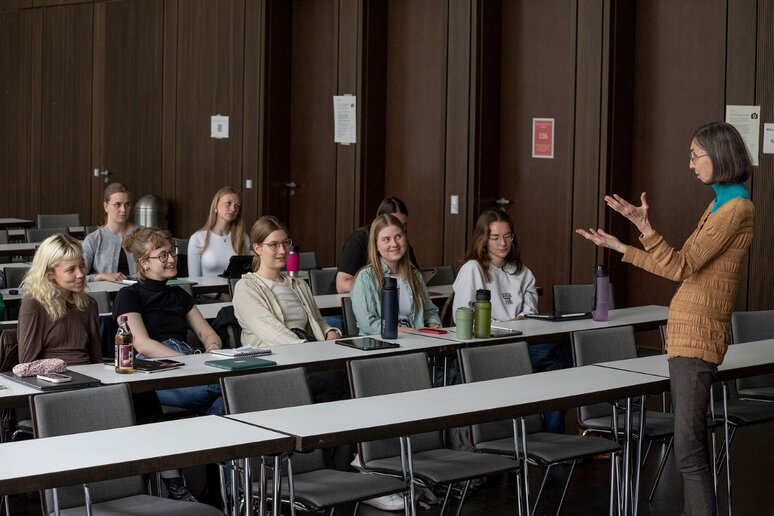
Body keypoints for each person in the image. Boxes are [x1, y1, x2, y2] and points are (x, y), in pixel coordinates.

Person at [576, 121, 755, 516]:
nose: (690, 164)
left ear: (719, 155)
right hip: (687, 336)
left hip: (698, 339)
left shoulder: (736, 208)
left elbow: (680, 266)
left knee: (689, 454)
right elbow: (682, 268)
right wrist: (624, 244)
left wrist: (644, 226)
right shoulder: (720, 203)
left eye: (695, 155)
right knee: (688, 452)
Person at [113, 227, 224, 502]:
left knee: (227, 397)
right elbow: (141, 344)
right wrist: (189, 362)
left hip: (187, 360)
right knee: (227, 393)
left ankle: (209, 477)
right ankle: (198, 460)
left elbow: (207, 333)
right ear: (144, 263)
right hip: (156, 369)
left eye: (172, 252)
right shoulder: (130, 296)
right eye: (162, 255)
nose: (172, 259)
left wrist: (212, 347)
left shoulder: (179, 294)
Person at [452, 209, 568, 433]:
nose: (502, 243)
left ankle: (552, 433)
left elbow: (530, 311)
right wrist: (507, 323)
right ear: (483, 240)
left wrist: (517, 321)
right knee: (560, 359)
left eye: (507, 236)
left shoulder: (522, 272)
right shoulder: (473, 269)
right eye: (495, 237)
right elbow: (464, 316)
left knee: (561, 363)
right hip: (489, 345)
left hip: (520, 341)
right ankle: (554, 435)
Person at [233, 215, 341, 348]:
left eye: (285, 243)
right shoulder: (245, 288)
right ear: (257, 248)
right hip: (272, 358)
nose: (283, 250)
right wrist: (308, 349)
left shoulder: (299, 284)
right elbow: (271, 332)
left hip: (306, 349)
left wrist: (329, 332)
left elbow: (317, 321)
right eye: (274, 245)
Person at [18, 234, 101, 365]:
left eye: (82, 265)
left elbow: (96, 358)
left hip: (89, 377)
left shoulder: (89, 304)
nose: (81, 274)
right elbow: (27, 362)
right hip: (50, 379)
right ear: (50, 275)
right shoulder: (33, 304)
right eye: (70, 270)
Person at [351, 214, 441, 334]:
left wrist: (434, 325)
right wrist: (409, 331)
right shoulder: (365, 277)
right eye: (386, 239)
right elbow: (368, 325)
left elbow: (430, 311)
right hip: (381, 345)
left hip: (416, 341)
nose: (394, 244)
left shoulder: (414, 275)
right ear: (376, 245)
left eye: (398, 236)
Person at [330, 197, 418, 294]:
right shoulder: (358, 239)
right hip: (342, 302)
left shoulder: (402, 243)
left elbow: (413, 275)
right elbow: (342, 285)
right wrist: (380, 285)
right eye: (392, 222)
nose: (394, 243)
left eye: (403, 226)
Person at [187, 186, 249, 278]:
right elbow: (193, 280)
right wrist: (218, 293)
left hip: (236, 291)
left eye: (237, 206)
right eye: (228, 203)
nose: (233, 209)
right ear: (216, 205)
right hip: (206, 292)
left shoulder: (243, 238)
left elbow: (246, 276)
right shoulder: (197, 239)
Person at [82, 183, 138, 282]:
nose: (123, 210)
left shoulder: (143, 234)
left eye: (127, 204)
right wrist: (101, 276)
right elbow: (78, 277)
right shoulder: (93, 240)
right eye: (118, 205)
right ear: (106, 206)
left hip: (141, 293)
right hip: (107, 295)